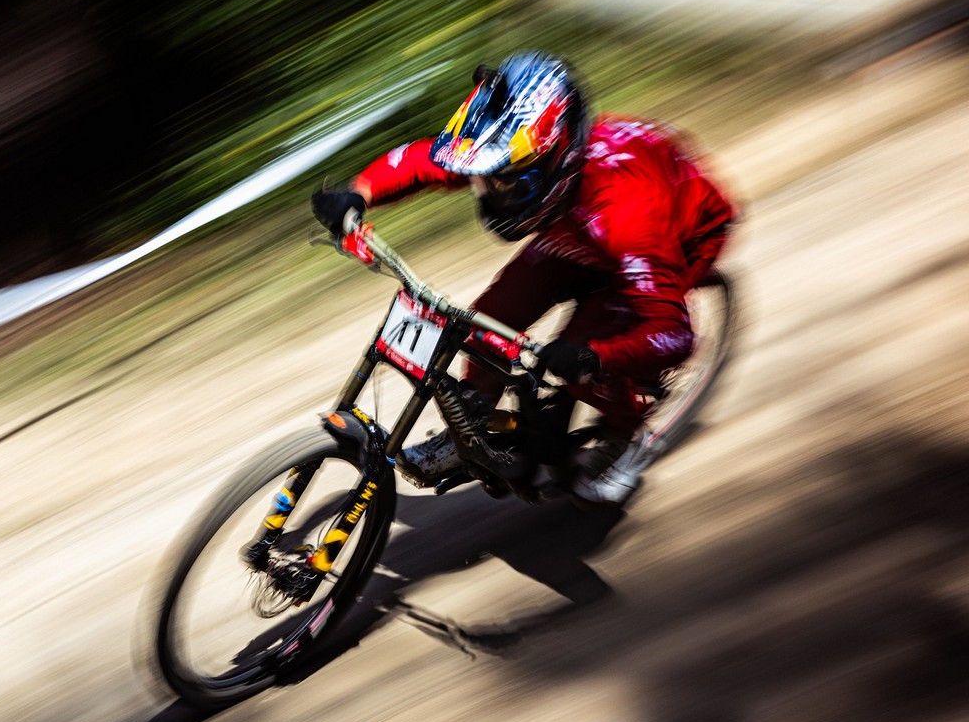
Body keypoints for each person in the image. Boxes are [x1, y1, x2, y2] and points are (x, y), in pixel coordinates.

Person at [311, 51, 738, 506]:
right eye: (486, 180)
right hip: (581, 226)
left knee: (582, 363)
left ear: (552, 162)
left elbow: (673, 335)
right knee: (487, 322)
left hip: (673, 238)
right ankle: (473, 423)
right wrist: (359, 192)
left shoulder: (628, 217)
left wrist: (595, 357)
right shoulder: (523, 152)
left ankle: (627, 436)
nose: (487, 189)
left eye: (502, 181)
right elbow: (424, 160)